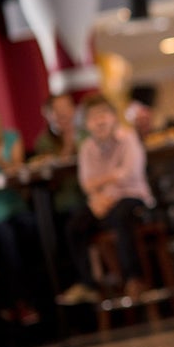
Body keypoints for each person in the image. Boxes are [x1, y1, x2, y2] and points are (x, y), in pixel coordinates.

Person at [60, 93, 156, 304]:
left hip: (133, 198)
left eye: (104, 114)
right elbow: (86, 183)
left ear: (114, 117)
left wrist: (103, 189)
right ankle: (89, 284)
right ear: (86, 124)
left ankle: (133, 279)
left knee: (120, 216)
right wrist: (100, 193)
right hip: (101, 202)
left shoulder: (128, 138)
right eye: (93, 117)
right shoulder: (87, 148)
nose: (100, 121)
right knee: (75, 225)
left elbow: (129, 174)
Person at [0, 99, 42, 326]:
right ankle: (19, 301)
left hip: (14, 204)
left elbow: (18, 174)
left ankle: (40, 296)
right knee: (6, 237)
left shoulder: (11, 138)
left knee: (31, 226)